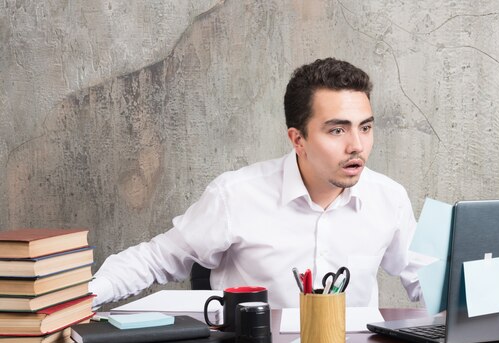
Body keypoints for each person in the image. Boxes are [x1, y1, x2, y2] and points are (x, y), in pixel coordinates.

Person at [89, 58, 434, 309]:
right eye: (337, 130)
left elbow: (429, 281)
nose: (356, 145)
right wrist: (85, 296)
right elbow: (156, 259)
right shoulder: (236, 195)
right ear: (297, 139)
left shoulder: (389, 197)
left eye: (366, 127)